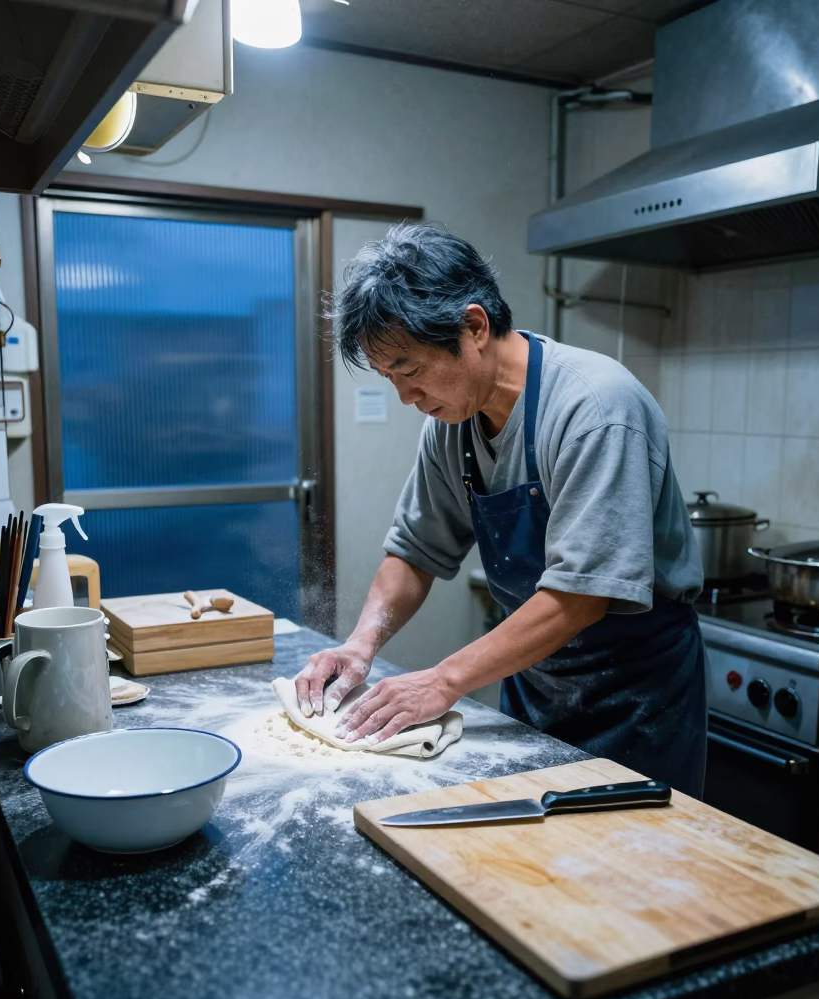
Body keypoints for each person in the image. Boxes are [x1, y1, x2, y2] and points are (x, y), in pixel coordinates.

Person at [294, 224, 707, 795]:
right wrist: (360, 645)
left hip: (637, 696)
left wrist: (443, 680)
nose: (405, 398)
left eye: (410, 370)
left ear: (474, 327)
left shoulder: (595, 407)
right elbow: (414, 551)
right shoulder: (453, 424)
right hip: (534, 681)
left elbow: (581, 597)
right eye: (390, 379)